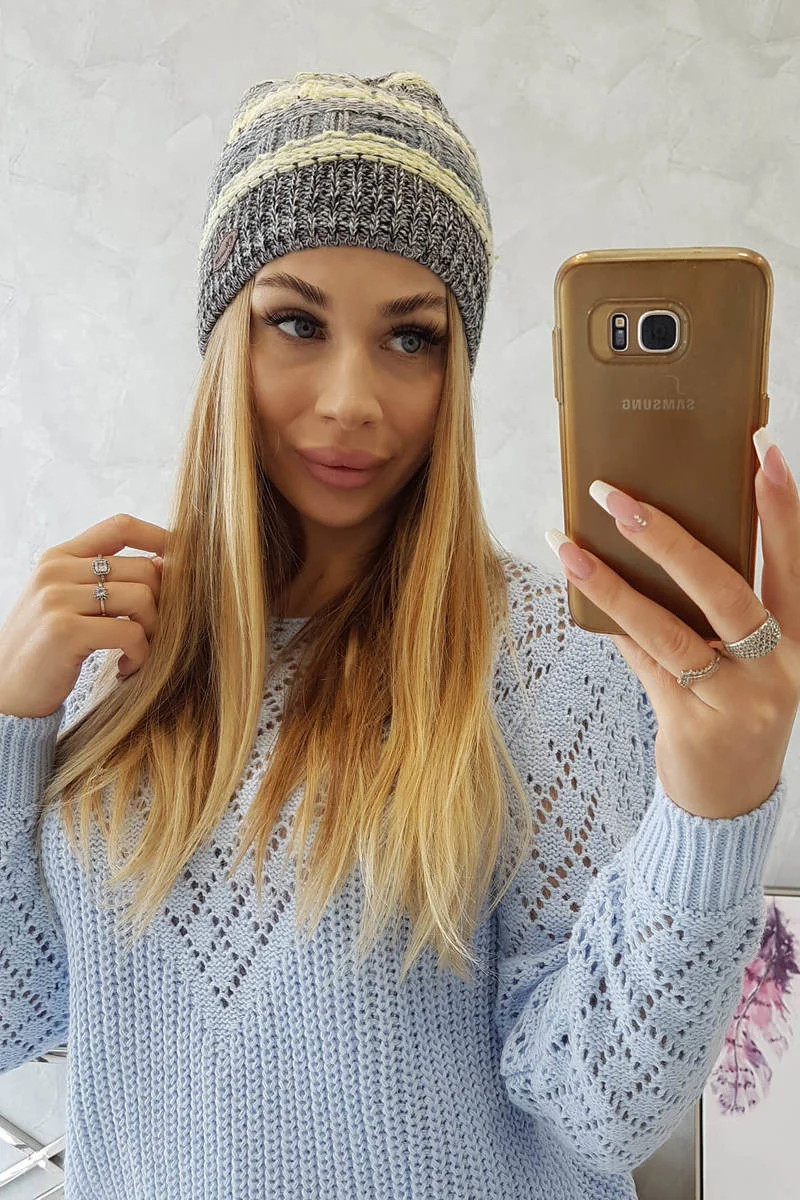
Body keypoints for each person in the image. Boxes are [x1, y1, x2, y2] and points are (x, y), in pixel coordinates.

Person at [0, 70, 795, 1200]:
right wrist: (10, 720)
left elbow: (597, 1110)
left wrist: (716, 807)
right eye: (295, 322)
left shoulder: (547, 661)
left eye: (411, 338)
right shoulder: (106, 652)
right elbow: (15, 1014)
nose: (350, 400)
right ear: (223, 338)